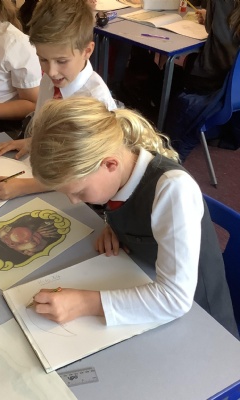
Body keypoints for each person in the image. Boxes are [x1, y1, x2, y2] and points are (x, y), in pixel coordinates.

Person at [27, 96, 238, 338]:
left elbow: (176, 300)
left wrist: (84, 303)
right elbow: (128, 203)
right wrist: (113, 225)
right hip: (144, 282)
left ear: (110, 165)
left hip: (204, 322)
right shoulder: (119, 173)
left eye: (80, 192)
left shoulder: (173, 190)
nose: (74, 201)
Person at [0, 0, 116, 200]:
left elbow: (84, 173)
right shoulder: (51, 80)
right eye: (43, 60)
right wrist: (32, 142)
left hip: (75, 194)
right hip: (43, 171)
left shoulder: (95, 103)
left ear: (87, 51)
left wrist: (24, 187)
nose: (51, 71)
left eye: (61, 61)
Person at [166, 0, 240, 160]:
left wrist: (211, 18)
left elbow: (213, 32)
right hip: (236, 88)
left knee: (172, 75)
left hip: (217, 83)